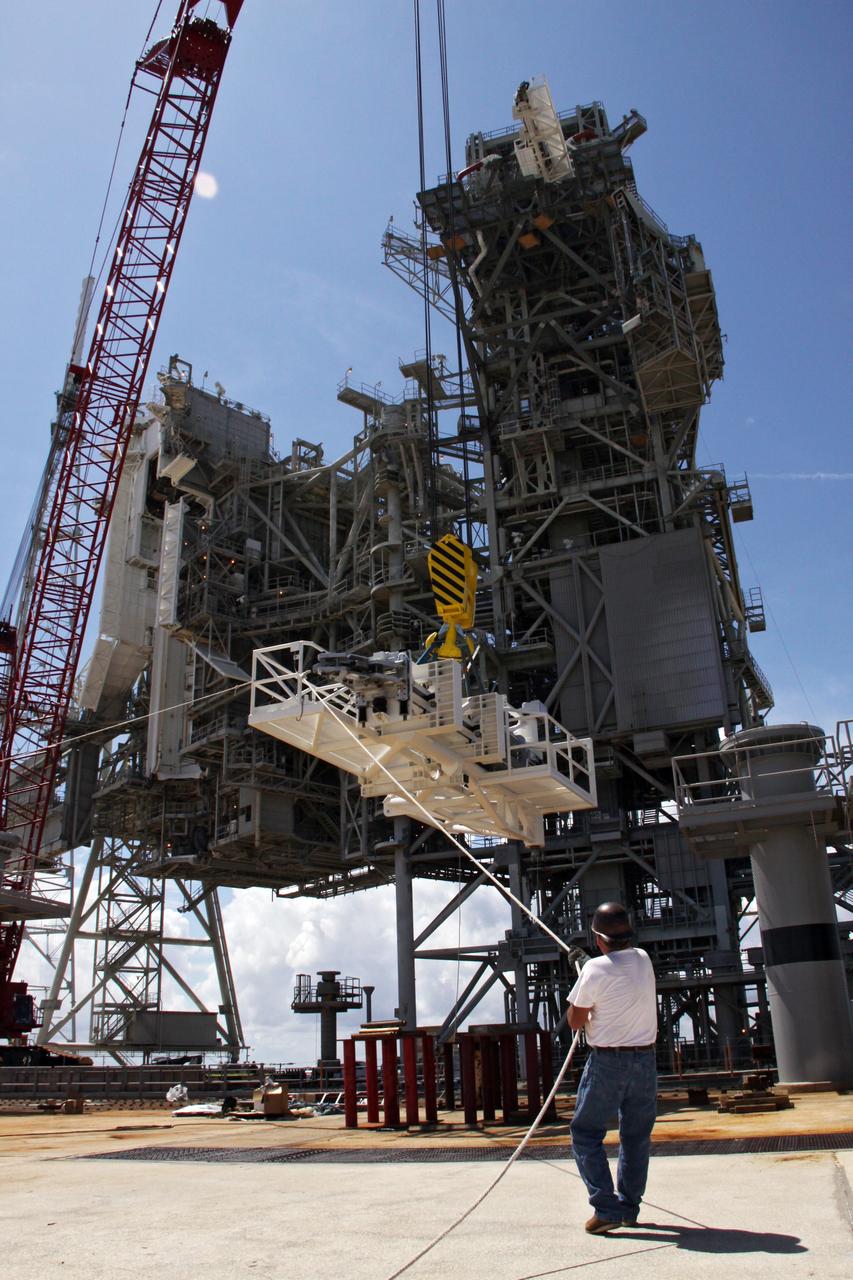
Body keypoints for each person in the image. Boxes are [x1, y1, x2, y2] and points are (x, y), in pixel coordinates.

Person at [567, 901, 658, 1234]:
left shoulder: (593, 970)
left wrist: (583, 969)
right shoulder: (644, 960)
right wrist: (589, 966)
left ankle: (606, 1209)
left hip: (608, 1062)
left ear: (598, 939)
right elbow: (617, 971)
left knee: (585, 1133)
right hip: (645, 1061)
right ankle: (629, 1208)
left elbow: (575, 1021)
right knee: (635, 1137)